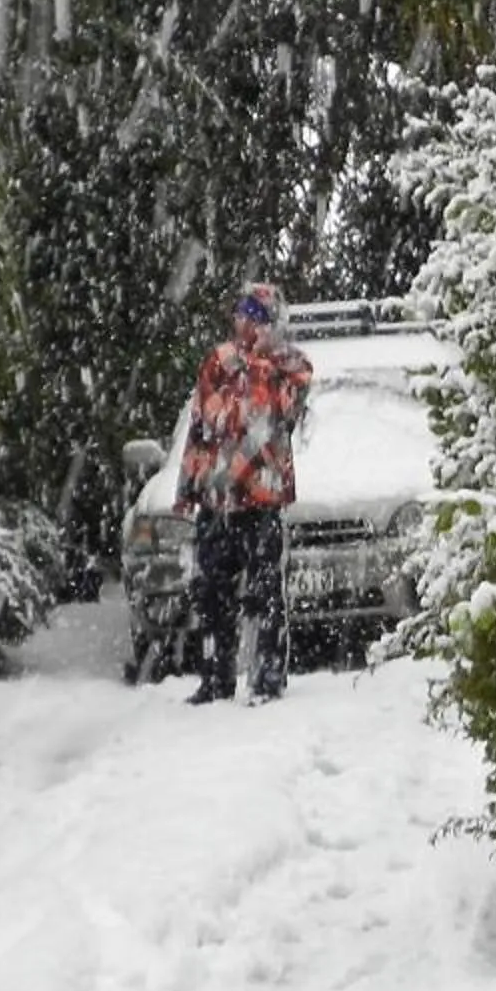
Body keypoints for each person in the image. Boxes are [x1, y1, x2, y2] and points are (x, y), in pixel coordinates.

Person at [177, 281, 314, 704]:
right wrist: (189, 486)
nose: (246, 324)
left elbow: (282, 413)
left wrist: (260, 365)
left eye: (255, 316)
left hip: (262, 499)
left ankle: (268, 678)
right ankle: (215, 678)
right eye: (241, 314)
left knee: (266, 592)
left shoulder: (290, 366)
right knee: (211, 592)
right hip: (217, 497)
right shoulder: (218, 362)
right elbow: (200, 426)